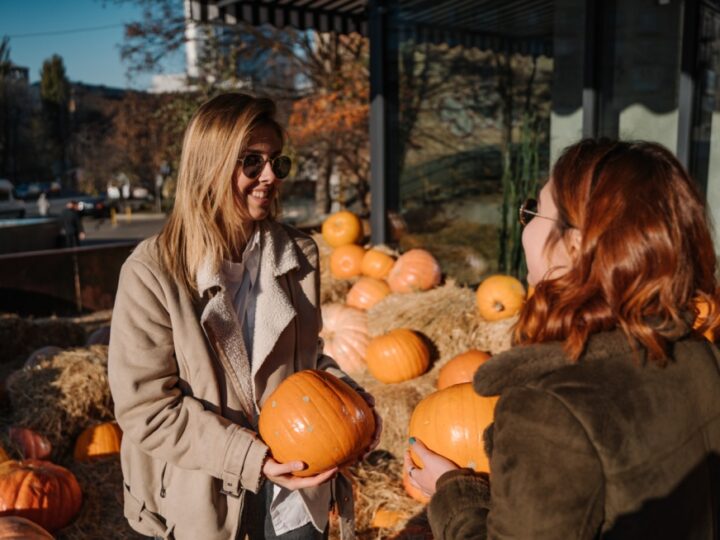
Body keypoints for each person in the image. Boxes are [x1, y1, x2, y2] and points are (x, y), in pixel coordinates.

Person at [405, 139, 720, 539]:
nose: (525, 226)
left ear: (573, 245)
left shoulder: (551, 407)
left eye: (534, 211)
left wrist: (453, 493)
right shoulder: (700, 356)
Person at [108, 93, 380, 540]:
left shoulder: (298, 254)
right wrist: (253, 459)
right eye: (251, 162)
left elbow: (306, 364)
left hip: (296, 485)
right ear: (208, 167)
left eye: (278, 162)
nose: (270, 177)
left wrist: (351, 405)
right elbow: (147, 410)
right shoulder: (152, 273)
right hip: (203, 493)